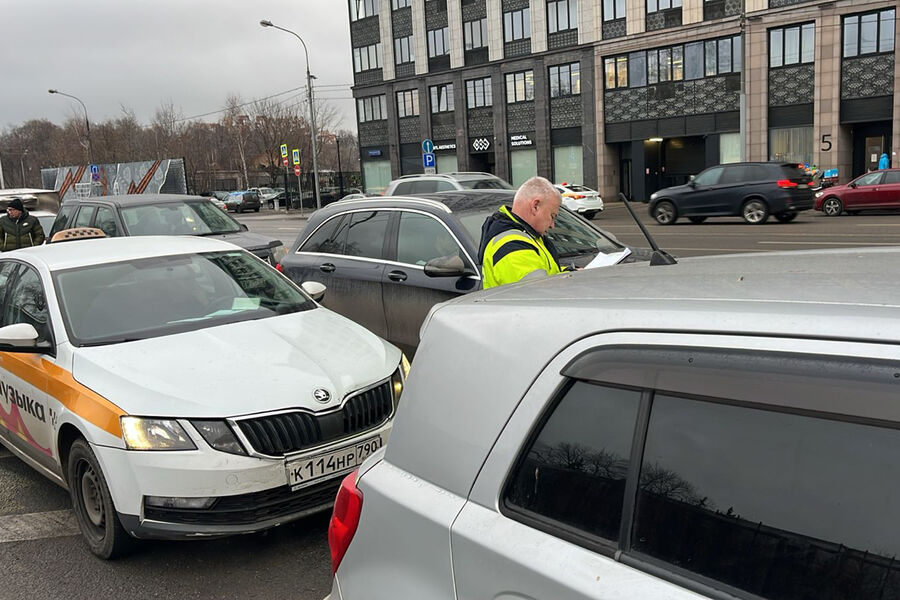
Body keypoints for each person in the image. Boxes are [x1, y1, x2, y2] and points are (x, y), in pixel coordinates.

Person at [478, 176, 566, 289]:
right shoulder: (512, 245)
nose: (552, 225)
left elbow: (547, 271)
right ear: (535, 206)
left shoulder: (528, 236)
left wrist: (571, 273)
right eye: (552, 216)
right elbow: (541, 291)